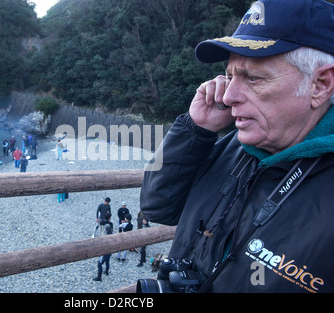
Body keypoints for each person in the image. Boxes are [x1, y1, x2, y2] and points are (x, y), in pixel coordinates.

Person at [140, 0, 334, 293]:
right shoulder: (234, 145)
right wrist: (196, 130)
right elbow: (158, 207)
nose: (228, 96)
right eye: (229, 75)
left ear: (319, 85)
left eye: (253, 77)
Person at [93, 214, 114, 281]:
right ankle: (107, 271)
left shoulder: (105, 238)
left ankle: (99, 276)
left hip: (104, 251)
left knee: (99, 263)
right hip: (110, 251)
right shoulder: (112, 235)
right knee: (107, 261)